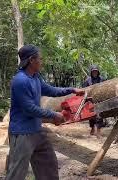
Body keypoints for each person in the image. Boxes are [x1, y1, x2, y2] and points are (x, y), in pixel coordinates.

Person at [6, 44, 84, 180]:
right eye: (40, 59)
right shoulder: (20, 81)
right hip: (22, 134)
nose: (41, 62)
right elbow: (29, 109)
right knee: (16, 174)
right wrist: (54, 115)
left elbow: (50, 90)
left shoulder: (35, 77)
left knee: (48, 164)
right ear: (31, 60)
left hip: (36, 130)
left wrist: (71, 90)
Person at [82, 65, 105, 137]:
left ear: (98, 72)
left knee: (99, 116)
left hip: (99, 100)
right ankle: (92, 128)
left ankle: (98, 131)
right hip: (90, 100)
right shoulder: (87, 80)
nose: (95, 72)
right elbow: (84, 90)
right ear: (91, 72)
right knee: (91, 116)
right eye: (93, 71)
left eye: (96, 71)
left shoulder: (102, 79)